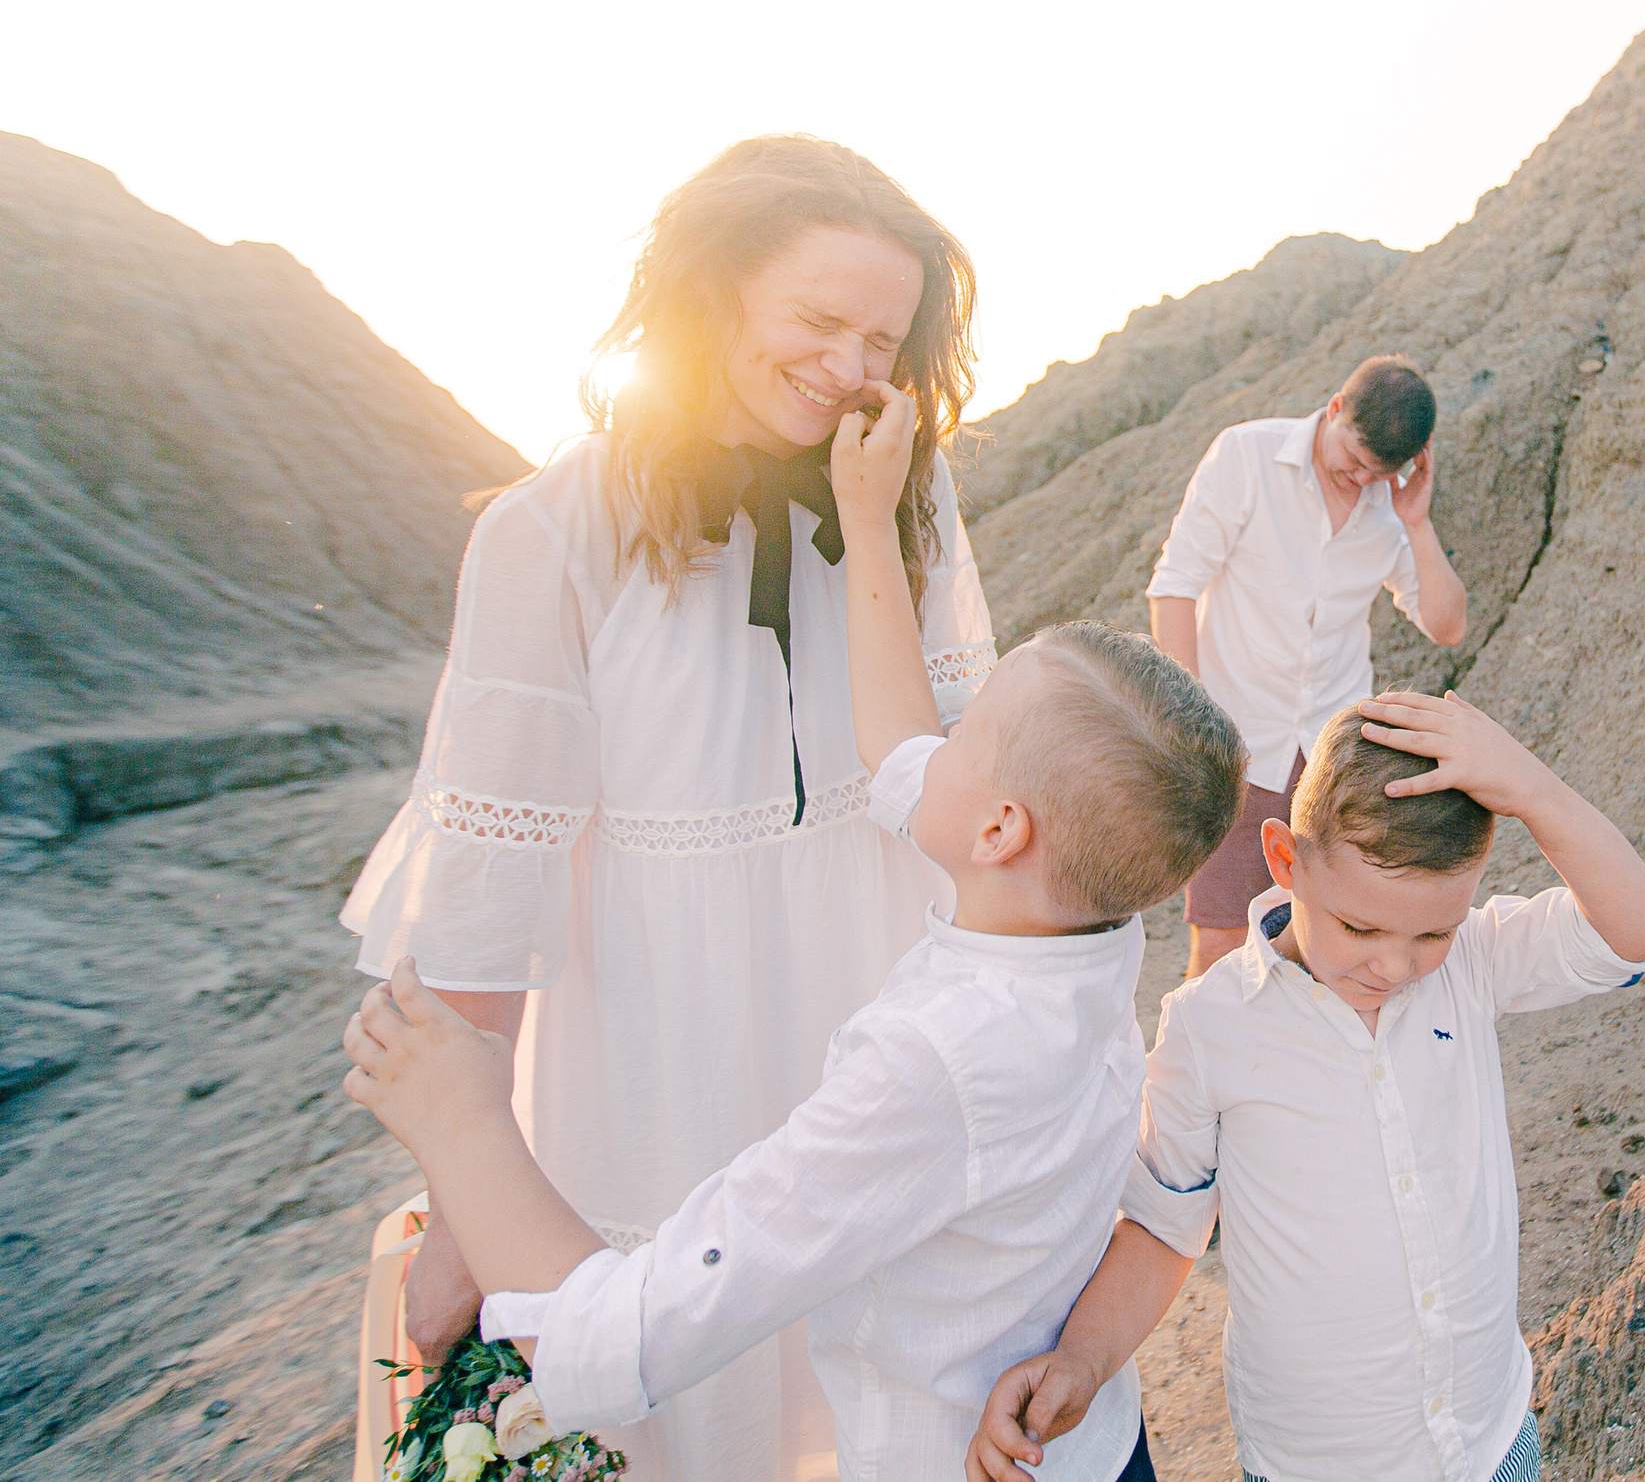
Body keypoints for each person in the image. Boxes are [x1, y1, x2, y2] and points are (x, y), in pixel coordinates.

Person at [340, 384, 1249, 1482]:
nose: (937, 741)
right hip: (1100, 1450)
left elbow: (623, 1341)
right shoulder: (1085, 924)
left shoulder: (929, 1068)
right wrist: (865, 519)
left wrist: (464, 1124)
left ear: (1000, 829)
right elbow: (898, 740)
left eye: (968, 731)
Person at [336, 136, 998, 1481]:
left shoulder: (905, 490)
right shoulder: (551, 530)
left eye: (882, 339)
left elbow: (948, 770)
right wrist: (466, 1201)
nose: (849, 365)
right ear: (716, 288)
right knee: (681, 1386)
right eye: (817, 319)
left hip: (870, 1011)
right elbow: (491, 883)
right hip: (659, 1054)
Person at [965, 694, 1645, 1482]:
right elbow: (1164, 1229)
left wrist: (1530, 786)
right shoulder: (1209, 1025)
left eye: (1432, 931)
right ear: (1284, 858)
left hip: (1488, 1443)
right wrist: (1082, 1358)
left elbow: (1638, 926)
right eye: (1360, 927)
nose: (1395, 965)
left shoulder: (1474, 962)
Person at [1148, 355, 1470, 978]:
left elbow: (1447, 625)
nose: (1361, 478)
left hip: (1335, 759)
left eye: (1378, 472)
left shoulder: (1389, 505)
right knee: (1219, 947)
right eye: (1354, 457)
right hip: (1236, 745)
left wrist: (1416, 522)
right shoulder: (1247, 456)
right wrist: (1190, 724)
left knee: (1327, 947)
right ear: (1334, 409)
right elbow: (1175, 585)